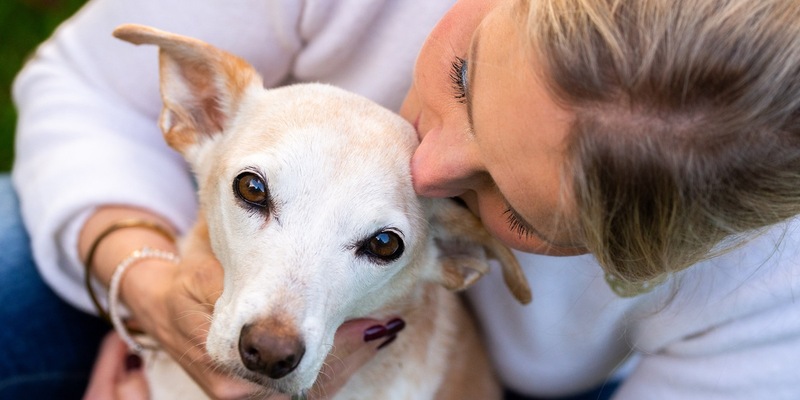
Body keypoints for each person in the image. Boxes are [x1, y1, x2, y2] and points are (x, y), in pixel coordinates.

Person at [5, 0, 800, 398]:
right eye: (466, 76)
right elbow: (78, 88)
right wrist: (131, 273)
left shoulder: (774, 308)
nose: (423, 171)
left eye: (516, 208)